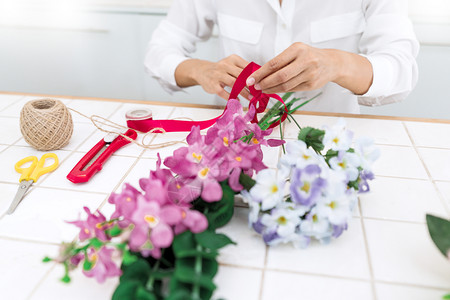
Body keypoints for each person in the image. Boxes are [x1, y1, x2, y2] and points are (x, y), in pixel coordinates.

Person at [144, 0, 419, 114]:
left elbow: (401, 69)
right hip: (233, 146)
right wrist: (199, 70)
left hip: (332, 149)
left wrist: (337, 64)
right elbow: (159, 50)